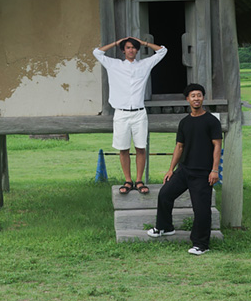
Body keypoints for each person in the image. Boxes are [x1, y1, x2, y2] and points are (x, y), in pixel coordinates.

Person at [147, 83, 222, 255]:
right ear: (187, 99)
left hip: (203, 173)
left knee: (201, 209)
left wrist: (215, 170)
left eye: (199, 95)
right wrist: (170, 169)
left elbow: (217, 146)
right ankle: (164, 227)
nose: (196, 98)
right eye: (193, 96)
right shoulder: (185, 122)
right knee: (165, 194)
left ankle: (201, 244)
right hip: (184, 170)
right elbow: (179, 147)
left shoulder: (211, 121)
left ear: (203, 98)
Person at [93, 36, 167, 195]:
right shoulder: (114, 65)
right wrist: (117, 42)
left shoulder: (144, 65)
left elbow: (162, 51)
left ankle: (139, 180)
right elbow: (97, 53)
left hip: (139, 113)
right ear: (123, 50)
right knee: (123, 148)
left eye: (134, 47)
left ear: (137, 50)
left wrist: (143, 42)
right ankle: (128, 180)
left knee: (141, 147)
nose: (131, 50)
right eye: (127, 47)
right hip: (121, 113)